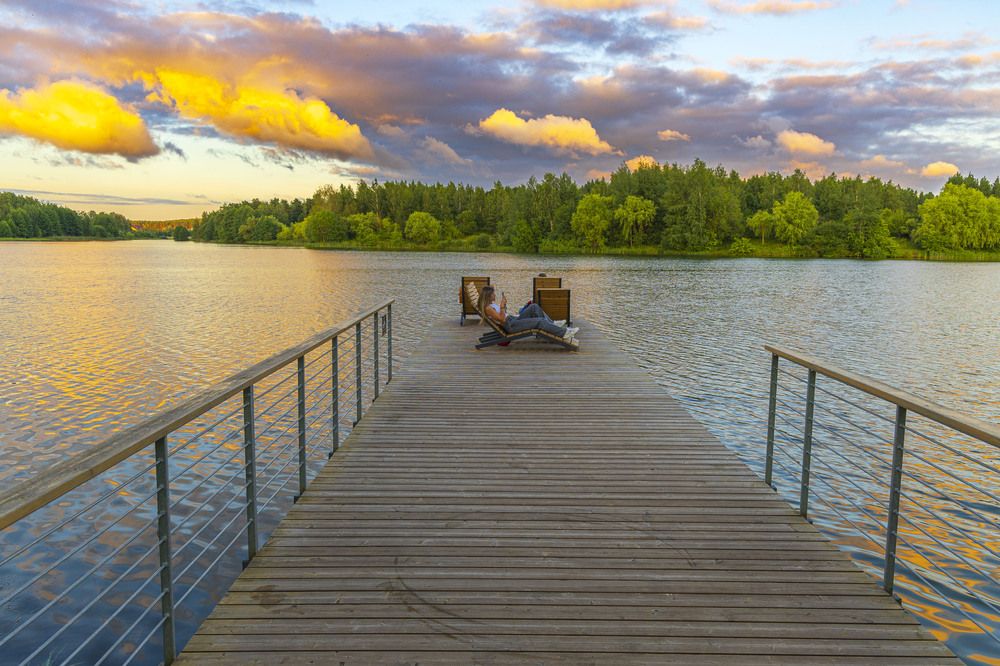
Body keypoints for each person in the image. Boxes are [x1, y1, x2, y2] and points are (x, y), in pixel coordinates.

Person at [478, 284, 578, 341]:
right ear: (488, 296)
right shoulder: (488, 308)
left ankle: (552, 324)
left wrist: (504, 307)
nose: (494, 295)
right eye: (493, 294)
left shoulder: (491, 305)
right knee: (539, 322)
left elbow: (502, 316)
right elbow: (502, 319)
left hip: (513, 320)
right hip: (511, 325)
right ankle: (564, 333)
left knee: (533, 307)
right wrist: (502, 305)